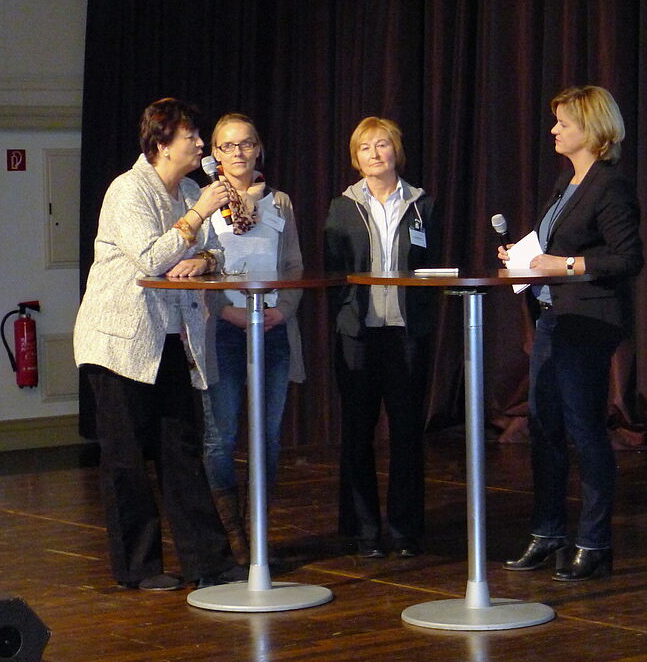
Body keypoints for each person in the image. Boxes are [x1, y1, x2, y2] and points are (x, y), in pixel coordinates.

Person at [74, 98, 244, 591]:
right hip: (118, 343)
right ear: (162, 144)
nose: (201, 144)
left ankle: (210, 563)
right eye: (191, 136)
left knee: (181, 449)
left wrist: (204, 260)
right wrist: (196, 215)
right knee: (126, 459)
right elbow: (150, 257)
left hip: (171, 339)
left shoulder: (189, 189)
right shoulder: (128, 190)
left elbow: (214, 250)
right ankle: (139, 567)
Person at [500, 86, 643, 582]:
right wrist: (524, 258)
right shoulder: (567, 182)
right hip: (553, 317)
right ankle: (548, 533)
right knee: (544, 426)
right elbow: (552, 247)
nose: (554, 130)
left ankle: (594, 542)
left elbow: (627, 258)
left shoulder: (609, 185)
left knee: (584, 429)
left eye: (564, 123)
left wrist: (562, 264)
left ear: (593, 128)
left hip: (589, 320)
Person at [324, 116, 439, 559]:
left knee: (407, 432)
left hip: (407, 333)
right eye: (365, 147)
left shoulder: (422, 204)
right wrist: (345, 315)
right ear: (356, 158)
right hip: (358, 334)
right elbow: (332, 271)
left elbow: (434, 264)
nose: (375, 154)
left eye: (382, 144)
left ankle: (405, 530)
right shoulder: (342, 206)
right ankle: (364, 531)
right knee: (357, 431)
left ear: (396, 151)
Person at [201, 113, 304, 565]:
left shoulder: (280, 201)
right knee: (221, 438)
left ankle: (259, 536)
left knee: (268, 437)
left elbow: (294, 266)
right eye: (227, 145)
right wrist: (227, 311)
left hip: (274, 328)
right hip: (223, 328)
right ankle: (232, 538)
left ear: (258, 149)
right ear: (214, 154)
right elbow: (195, 265)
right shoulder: (203, 201)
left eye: (245, 144)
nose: (238, 152)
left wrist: (284, 310)